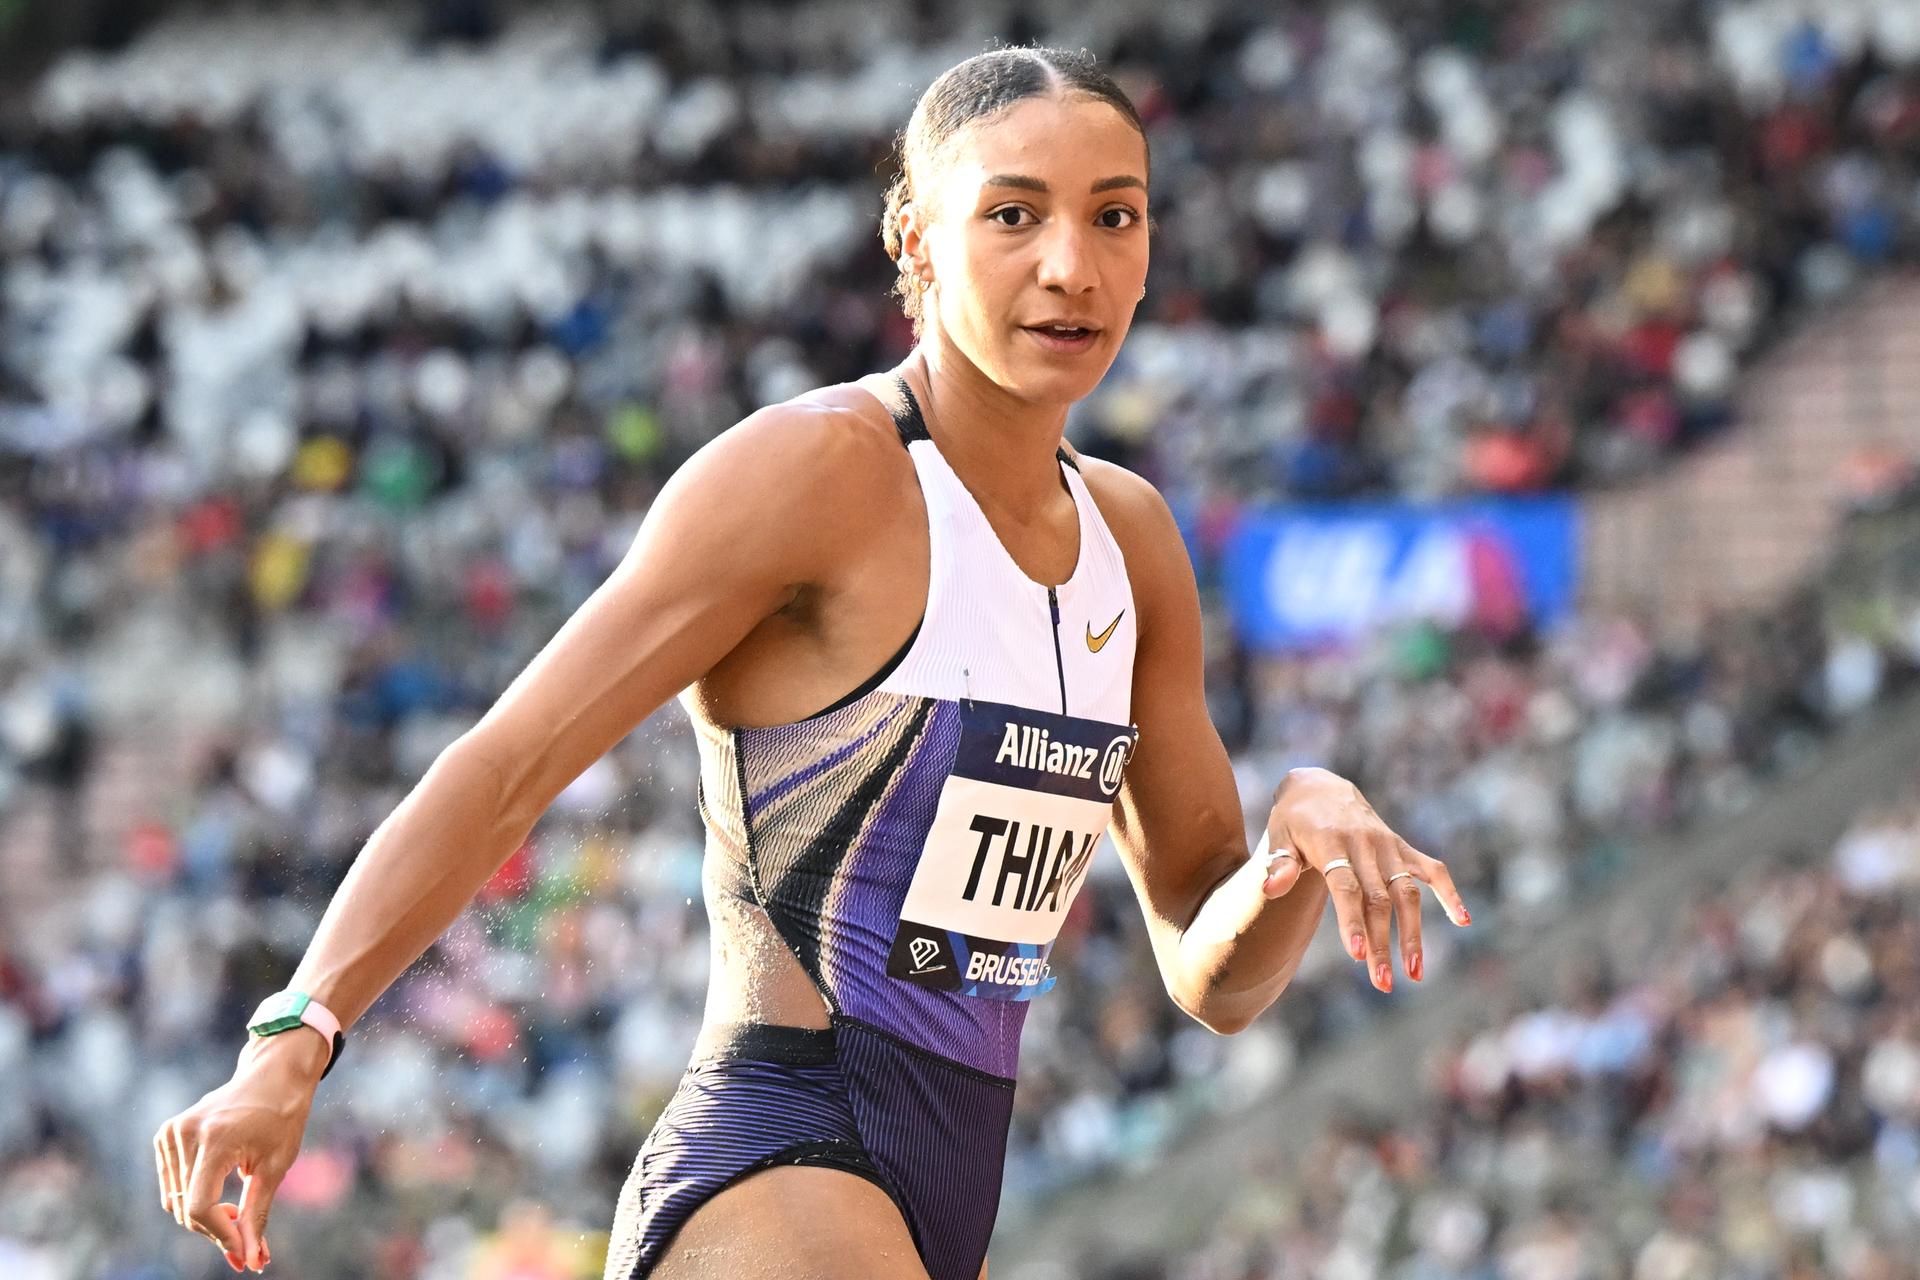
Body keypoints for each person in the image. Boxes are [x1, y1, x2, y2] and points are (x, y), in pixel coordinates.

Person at [151, 46, 1471, 1280]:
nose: (1070, 265)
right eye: (1013, 215)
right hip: (787, 1153)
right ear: (915, 239)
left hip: (954, 1185)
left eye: (1113, 216)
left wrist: (1291, 843)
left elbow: (1212, 975)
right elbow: (508, 764)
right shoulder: (817, 475)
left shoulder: (1133, 540)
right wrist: (296, 1034)